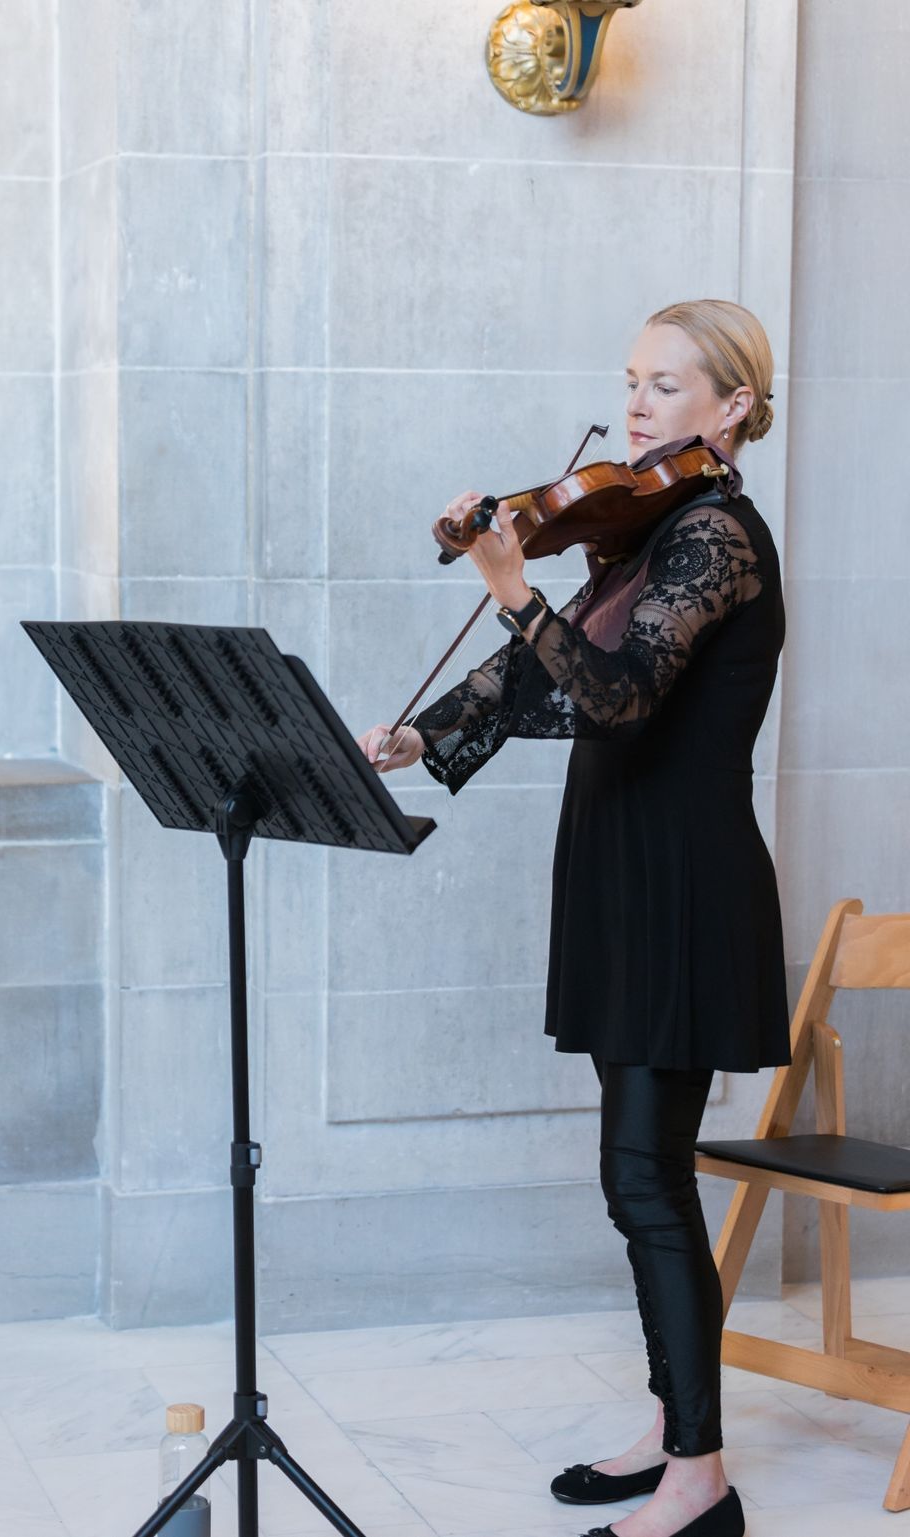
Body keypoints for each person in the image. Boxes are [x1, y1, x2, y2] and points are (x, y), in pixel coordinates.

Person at [356, 300, 790, 1537]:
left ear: (732, 409)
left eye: (667, 385)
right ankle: (672, 1427)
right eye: (631, 382)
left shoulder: (718, 539)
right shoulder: (639, 537)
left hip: (682, 882)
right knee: (633, 1176)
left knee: (646, 1182)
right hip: (617, 871)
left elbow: (612, 698)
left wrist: (508, 590)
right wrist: (420, 735)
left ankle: (701, 1482)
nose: (639, 405)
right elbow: (537, 678)